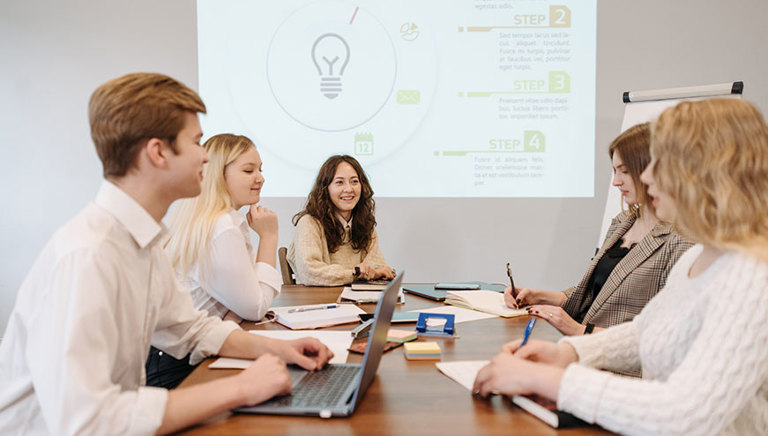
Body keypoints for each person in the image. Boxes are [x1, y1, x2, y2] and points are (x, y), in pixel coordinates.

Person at [0, 73, 332, 435]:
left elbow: (191, 330)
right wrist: (242, 388)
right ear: (158, 152)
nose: (206, 156)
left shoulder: (142, 241)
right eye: (196, 141)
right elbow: (88, 422)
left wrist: (281, 350)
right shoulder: (88, 255)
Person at [474, 98, 768, 435]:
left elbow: (685, 414)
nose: (647, 175)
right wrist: (569, 354)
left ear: (707, 170)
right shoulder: (700, 256)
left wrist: (552, 379)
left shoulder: (753, 276)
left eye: (662, 163)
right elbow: (646, 333)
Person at [504, 123, 691, 337]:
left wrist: (581, 331)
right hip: (586, 350)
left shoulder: (682, 240)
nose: (616, 182)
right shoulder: (623, 222)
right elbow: (598, 296)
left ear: (653, 170)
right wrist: (537, 296)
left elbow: (668, 335)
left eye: (625, 171)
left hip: (620, 364)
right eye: (614, 171)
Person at [145, 133, 281, 389]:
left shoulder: (219, 221)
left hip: (172, 358)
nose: (260, 178)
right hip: (180, 367)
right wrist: (270, 236)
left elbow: (244, 305)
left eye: (260, 169)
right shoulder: (222, 228)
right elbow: (254, 307)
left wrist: (234, 315)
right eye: (249, 170)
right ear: (219, 175)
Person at [287, 155, 395, 286]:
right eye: (339, 182)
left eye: (354, 181)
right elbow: (310, 272)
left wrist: (377, 273)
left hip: (358, 302)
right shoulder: (309, 222)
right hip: (319, 302)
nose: (349, 189)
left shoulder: (365, 224)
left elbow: (376, 266)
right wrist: (354, 273)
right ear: (325, 188)